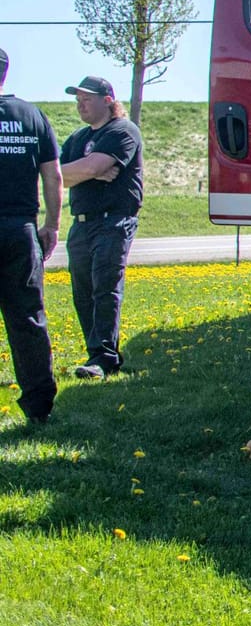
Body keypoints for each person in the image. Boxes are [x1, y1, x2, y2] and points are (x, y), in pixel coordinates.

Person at [59, 75, 144, 379]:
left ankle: (105, 358)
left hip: (113, 220)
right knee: (83, 291)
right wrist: (86, 171)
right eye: (77, 98)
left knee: (104, 286)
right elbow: (55, 175)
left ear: (107, 101)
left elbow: (90, 168)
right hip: (82, 224)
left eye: (86, 98)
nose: (80, 103)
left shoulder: (122, 131)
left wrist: (88, 170)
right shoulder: (77, 139)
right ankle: (94, 352)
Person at [0, 49, 60, 422]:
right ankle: (39, 404)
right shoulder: (31, 116)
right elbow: (52, 175)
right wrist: (52, 224)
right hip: (20, 230)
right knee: (27, 318)